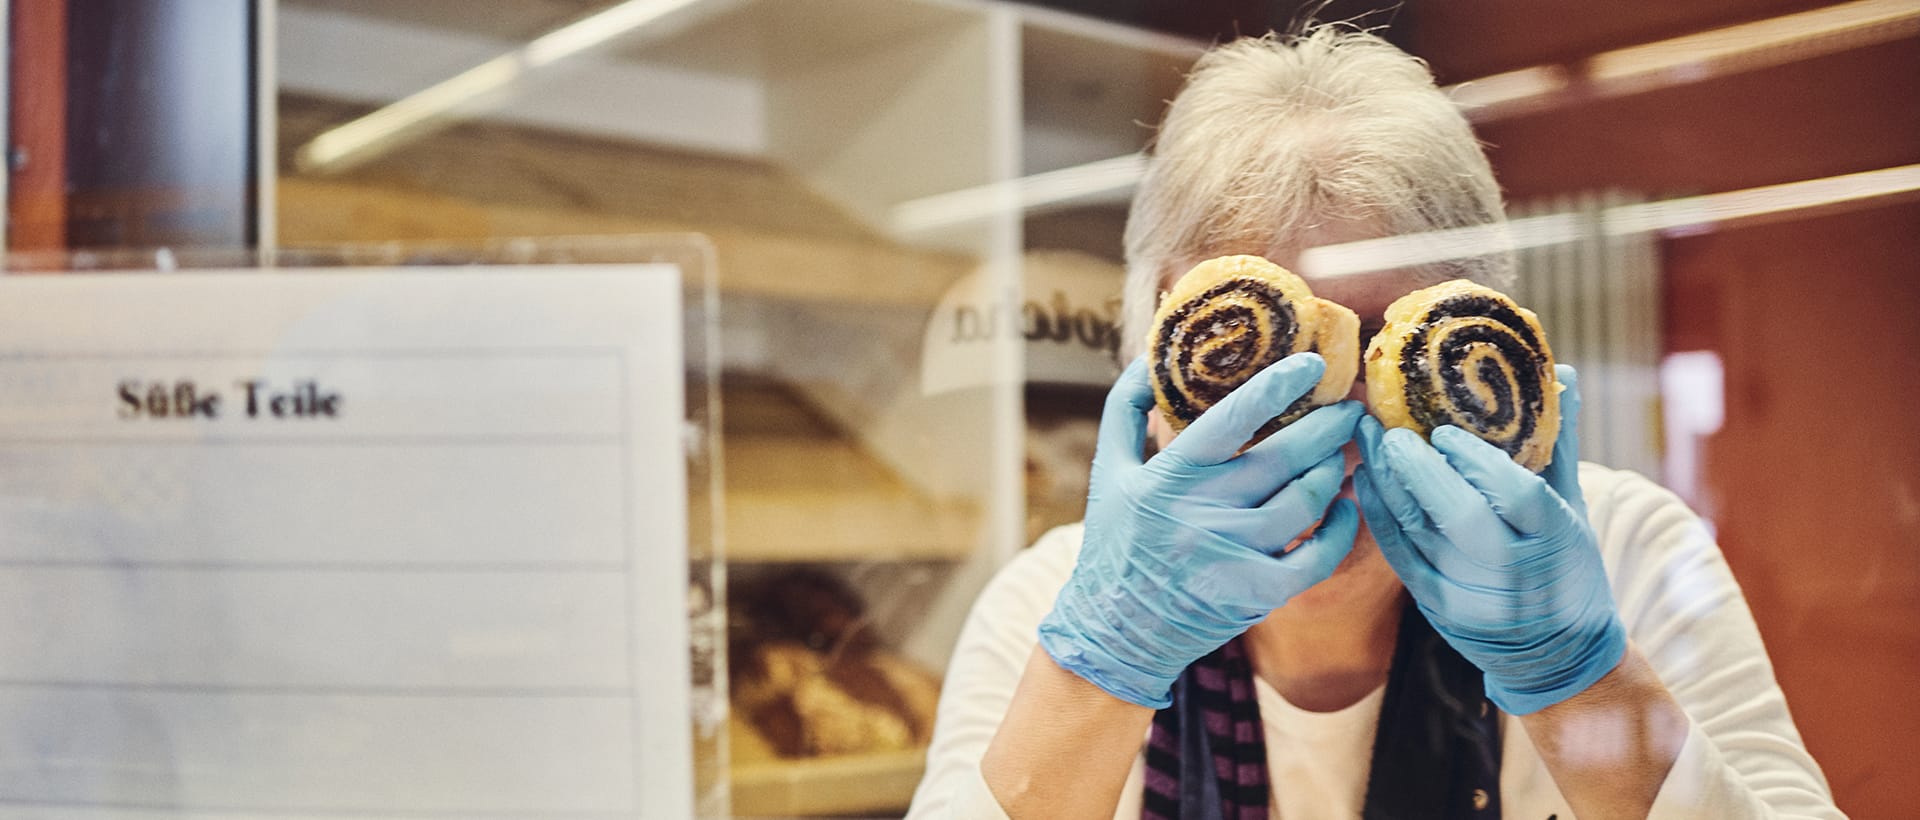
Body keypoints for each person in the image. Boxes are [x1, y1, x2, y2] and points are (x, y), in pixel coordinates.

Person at [905, 26, 1843, 820]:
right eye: (1267, 368)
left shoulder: (1629, 556)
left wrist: (1579, 676)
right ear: (1149, 363)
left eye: (1384, 345)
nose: (1329, 424)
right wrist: (1104, 664)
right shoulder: (1048, 608)